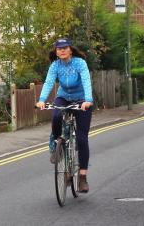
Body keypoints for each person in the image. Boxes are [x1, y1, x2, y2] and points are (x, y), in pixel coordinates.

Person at [35, 38, 93, 193]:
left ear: (70, 50)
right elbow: (48, 83)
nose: (61, 50)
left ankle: (82, 177)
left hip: (81, 99)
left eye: (65, 48)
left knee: (81, 139)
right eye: (59, 48)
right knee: (55, 117)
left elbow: (86, 80)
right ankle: (56, 145)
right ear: (56, 51)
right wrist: (41, 100)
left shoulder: (80, 63)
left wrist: (88, 100)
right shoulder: (55, 65)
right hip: (63, 97)